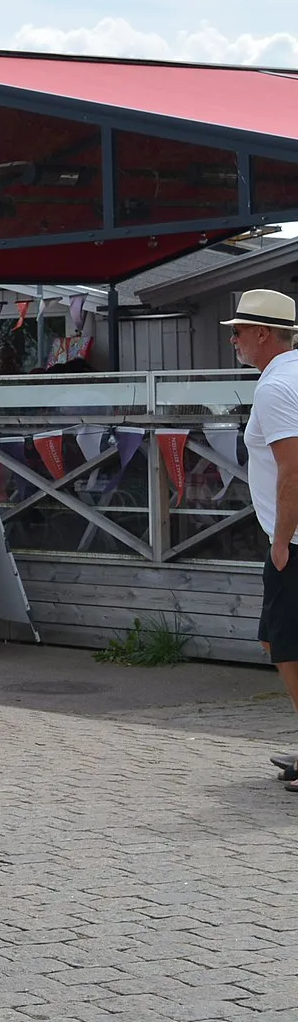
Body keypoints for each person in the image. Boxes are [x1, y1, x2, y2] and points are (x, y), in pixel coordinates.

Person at [227, 289, 298, 792]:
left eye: (237, 332)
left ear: (262, 334)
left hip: (295, 540)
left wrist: (282, 540)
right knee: (279, 636)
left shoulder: (275, 387)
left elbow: (293, 469)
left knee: (286, 643)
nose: (233, 340)